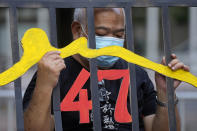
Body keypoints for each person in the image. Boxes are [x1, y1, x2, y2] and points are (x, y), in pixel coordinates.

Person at [23, 8, 190, 131]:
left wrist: (165, 92)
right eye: (101, 33)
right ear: (77, 31)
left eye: (118, 36)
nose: (111, 42)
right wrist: (44, 86)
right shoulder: (51, 73)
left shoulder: (137, 74)